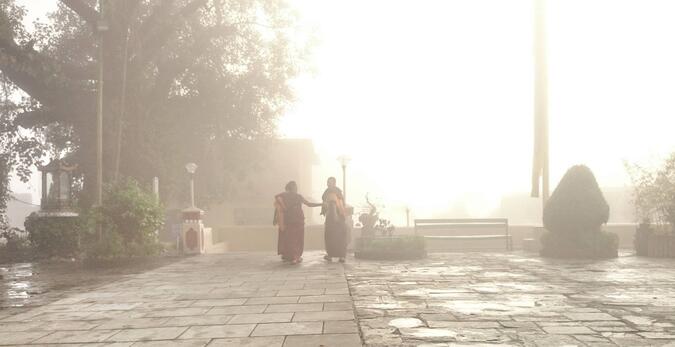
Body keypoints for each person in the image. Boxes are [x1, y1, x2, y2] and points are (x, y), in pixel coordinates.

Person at [273, 181, 322, 264]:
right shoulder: (298, 196)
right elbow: (309, 204)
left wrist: (276, 219)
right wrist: (321, 204)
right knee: (297, 239)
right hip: (298, 219)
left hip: (288, 220)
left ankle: (289, 256)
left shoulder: (282, 196)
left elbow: (278, 208)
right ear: (293, 188)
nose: (296, 188)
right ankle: (295, 257)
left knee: (289, 238)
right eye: (295, 187)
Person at [321, 177, 348, 263]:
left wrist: (336, 216)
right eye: (327, 182)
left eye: (330, 182)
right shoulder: (329, 191)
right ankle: (331, 255)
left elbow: (334, 204)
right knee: (330, 236)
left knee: (338, 236)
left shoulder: (334, 192)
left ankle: (340, 256)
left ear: (334, 183)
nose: (328, 184)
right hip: (333, 217)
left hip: (335, 217)